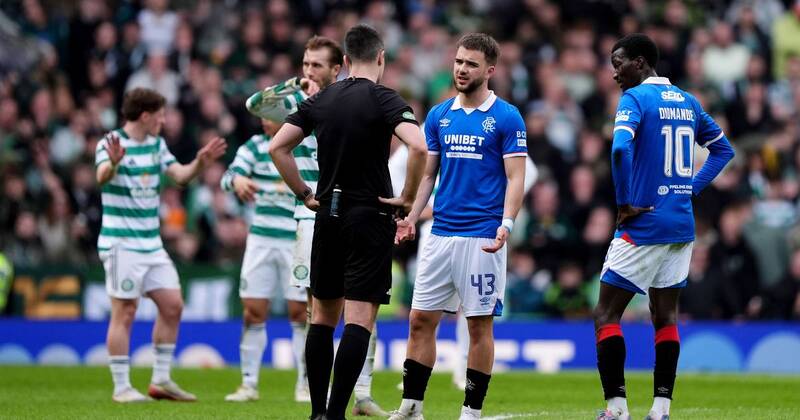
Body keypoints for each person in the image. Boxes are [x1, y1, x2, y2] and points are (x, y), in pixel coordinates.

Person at [268, 24, 427, 420]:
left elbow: (277, 146)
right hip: (370, 215)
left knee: (321, 318)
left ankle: (317, 413)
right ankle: (337, 413)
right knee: (359, 321)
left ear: (343, 61)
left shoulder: (322, 99)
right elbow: (419, 145)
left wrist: (305, 194)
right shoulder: (384, 98)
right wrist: (407, 198)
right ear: (380, 58)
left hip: (327, 215)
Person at [594, 34, 735, 420]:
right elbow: (724, 150)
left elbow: (620, 148)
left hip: (644, 223)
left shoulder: (636, 100)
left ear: (640, 63)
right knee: (665, 316)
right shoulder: (688, 102)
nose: (614, 72)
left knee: (606, 315)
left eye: (618, 62)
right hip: (681, 227)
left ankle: (617, 408)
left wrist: (623, 203)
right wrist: (688, 189)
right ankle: (660, 410)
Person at [244, 35, 388, 414]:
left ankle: (357, 392)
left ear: (337, 66)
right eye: (304, 64)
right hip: (314, 214)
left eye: (316, 66)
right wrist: (291, 86)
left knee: (344, 312)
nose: (308, 71)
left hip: (327, 210)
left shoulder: (330, 102)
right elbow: (255, 106)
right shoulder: (300, 101)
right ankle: (323, 395)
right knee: (325, 312)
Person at [389, 33, 527, 420]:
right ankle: (412, 405)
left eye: (471, 64)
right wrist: (412, 217)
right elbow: (429, 174)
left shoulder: (507, 117)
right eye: (458, 61)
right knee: (420, 320)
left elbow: (516, 178)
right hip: (440, 234)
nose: (462, 69)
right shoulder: (439, 115)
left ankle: (471, 411)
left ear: (490, 70)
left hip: (483, 235)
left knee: (479, 325)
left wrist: (507, 224)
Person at [95, 88, 227, 403]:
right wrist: (113, 164)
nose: (164, 120)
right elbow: (101, 176)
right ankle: (122, 387)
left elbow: (180, 176)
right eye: (160, 115)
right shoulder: (110, 143)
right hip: (121, 243)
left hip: (151, 245)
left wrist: (200, 162)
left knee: (173, 305)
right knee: (124, 311)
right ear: (145, 116)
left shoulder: (156, 145)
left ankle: (161, 380)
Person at [220, 117, 308, 403]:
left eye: (268, 113)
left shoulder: (304, 145)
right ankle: (248, 384)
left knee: (301, 314)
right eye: (260, 114)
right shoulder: (254, 147)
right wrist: (237, 179)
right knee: (253, 312)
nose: (262, 120)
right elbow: (226, 176)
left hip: (295, 239)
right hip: (261, 240)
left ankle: (305, 385)